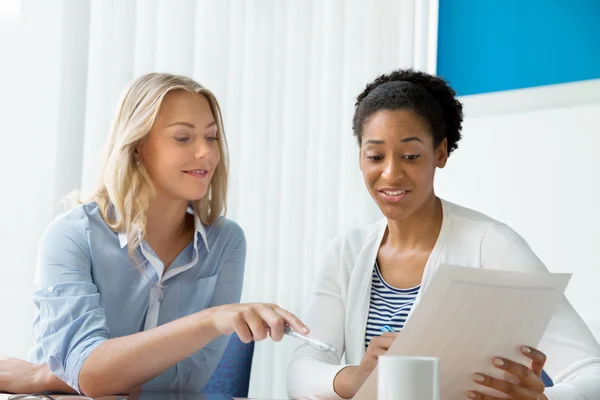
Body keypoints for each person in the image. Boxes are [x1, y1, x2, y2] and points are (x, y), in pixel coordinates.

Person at [286, 69, 600, 400]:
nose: (391, 173)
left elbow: (592, 372)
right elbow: (301, 371)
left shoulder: (491, 246)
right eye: (375, 156)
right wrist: (358, 377)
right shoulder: (345, 253)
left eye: (410, 156)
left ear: (440, 153)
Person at [0, 73, 309, 397]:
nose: (206, 152)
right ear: (136, 147)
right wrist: (210, 320)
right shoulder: (72, 236)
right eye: (183, 138)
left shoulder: (227, 242)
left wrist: (46, 376)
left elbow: (187, 381)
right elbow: (88, 372)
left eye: (211, 136)